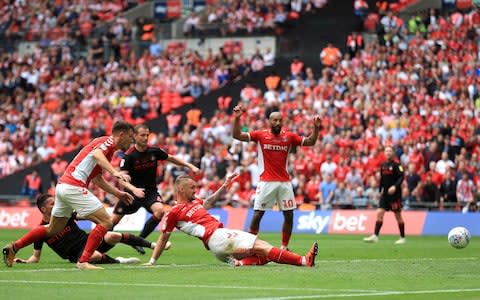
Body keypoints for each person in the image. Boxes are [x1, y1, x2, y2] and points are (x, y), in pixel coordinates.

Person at [3, 121, 136, 270]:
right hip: (74, 186)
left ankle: (14, 247)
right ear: (121, 135)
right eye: (130, 137)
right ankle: (83, 261)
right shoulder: (108, 142)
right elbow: (97, 154)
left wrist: (118, 193)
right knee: (106, 222)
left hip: (63, 187)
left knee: (52, 229)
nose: (132, 141)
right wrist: (115, 172)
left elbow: (97, 178)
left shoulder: (108, 150)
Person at [144, 174, 318, 267]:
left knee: (264, 255)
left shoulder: (195, 202)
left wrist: (224, 186)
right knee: (262, 246)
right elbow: (163, 237)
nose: (195, 190)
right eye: (192, 187)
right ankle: (303, 261)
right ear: (180, 189)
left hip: (218, 246)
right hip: (217, 237)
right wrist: (152, 261)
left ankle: (240, 263)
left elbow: (209, 201)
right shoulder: (174, 211)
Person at [232, 104, 321, 250]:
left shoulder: (289, 136)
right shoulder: (260, 135)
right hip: (266, 182)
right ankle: (250, 246)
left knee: (289, 215)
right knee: (258, 214)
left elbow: (310, 141)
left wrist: (316, 128)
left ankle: (284, 247)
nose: (278, 123)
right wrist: (237, 119)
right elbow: (237, 135)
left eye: (280, 120)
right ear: (269, 121)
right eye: (275, 120)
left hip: (284, 183)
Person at [114, 124, 200, 254]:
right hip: (131, 194)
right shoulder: (128, 156)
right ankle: (95, 248)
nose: (145, 138)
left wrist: (190, 166)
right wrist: (132, 188)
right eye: (142, 135)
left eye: (147, 135)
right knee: (111, 223)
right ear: (135, 136)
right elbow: (121, 178)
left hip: (150, 192)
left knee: (160, 211)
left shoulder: (154, 151)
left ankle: (139, 240)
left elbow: (171, 158)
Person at [13, 194, 165, 265]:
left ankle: (153, 245)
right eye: (52, 204)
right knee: (95, 256)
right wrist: (24, 261)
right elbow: (36, 257)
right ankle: (119, 261)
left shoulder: (66, 215)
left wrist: (99, 217)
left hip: (88, 240)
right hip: (75, 254)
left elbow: (83, 216)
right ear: (43, 209)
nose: (57, 205)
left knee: (111, 235)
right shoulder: (40, 231)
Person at [364, 146, 406, 244]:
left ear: (393, 153)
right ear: (384, 153)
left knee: (398, 216)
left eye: (390, 151)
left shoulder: (397, 165)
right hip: (385, 195)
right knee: (379, 213)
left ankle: (403, 237)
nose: (388, 153)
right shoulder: (383, 165)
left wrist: (395, 187)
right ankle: (375, 236)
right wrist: (380, 190)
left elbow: (401, 177)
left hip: (395, 195)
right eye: (386, 151)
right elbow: (382, 179)